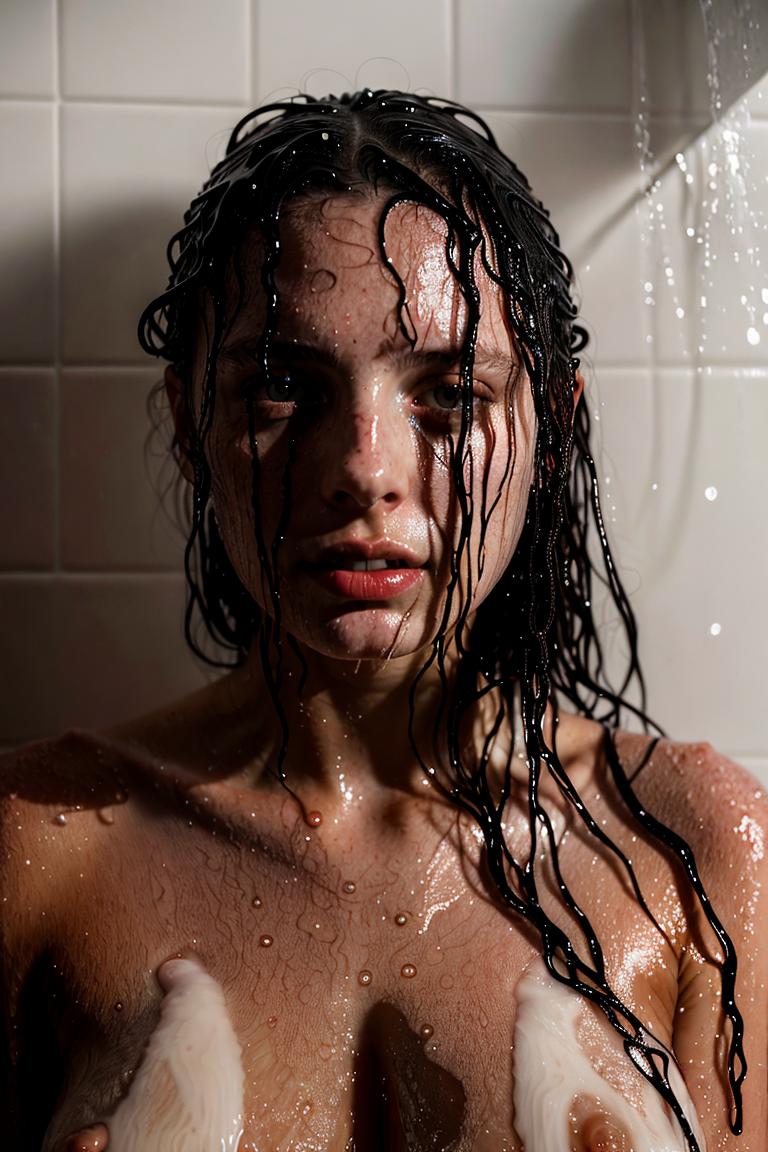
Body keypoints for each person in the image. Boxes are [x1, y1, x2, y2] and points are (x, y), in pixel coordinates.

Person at [1, 89, 765, 1152]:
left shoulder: (702, 855)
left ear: (552, 430)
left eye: (450, 393)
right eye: (281, 386)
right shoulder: (34, 849)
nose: (364, 469)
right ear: (190, 421)